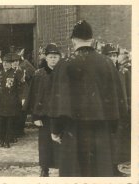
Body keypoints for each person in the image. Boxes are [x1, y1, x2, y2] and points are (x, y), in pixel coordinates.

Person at [47, 20, 127, 177]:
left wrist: (55, 130)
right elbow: (119, 100)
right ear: (92, 40)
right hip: (101, 130)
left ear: (73, 40)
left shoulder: (64, 64)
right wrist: (113, 128)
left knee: (74, 173)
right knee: (100, 172)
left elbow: (57, 100)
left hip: (72, 131)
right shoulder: (107, 63)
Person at [25, 43, 61, 177]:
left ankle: (61, 167)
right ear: (46, 58)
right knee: (45, 144)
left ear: (59, 58)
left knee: (59, 142)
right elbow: (33, 96)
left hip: (59, 115)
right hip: (44, 117)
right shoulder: (39, 74)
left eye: (55, 57)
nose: (53, 59)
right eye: (51, 57)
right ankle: (44, 169)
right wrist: (35, 117)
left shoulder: (63, 73)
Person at [102, 43, 131, 174]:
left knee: (119, 141)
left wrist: (129, 108)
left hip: (121, 113)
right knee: (107, 141)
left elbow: (129, 93)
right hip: (106, 113)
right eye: (109, 56)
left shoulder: (123, 72)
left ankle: (116, 167)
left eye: (114, 55)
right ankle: (107, 167)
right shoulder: (101, 73)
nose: (113, 58)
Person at [0, 53, 25, 148]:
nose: (5, 64)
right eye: (4, 62)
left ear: (11, 64)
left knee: (9, 121)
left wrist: (21, 99)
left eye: (7, 63)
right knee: (1, 121)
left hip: (12, 100)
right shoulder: (1, 73)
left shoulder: (16, 73)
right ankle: (1, 139)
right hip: (2, 100)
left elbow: (21, 87)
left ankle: (7, 141)